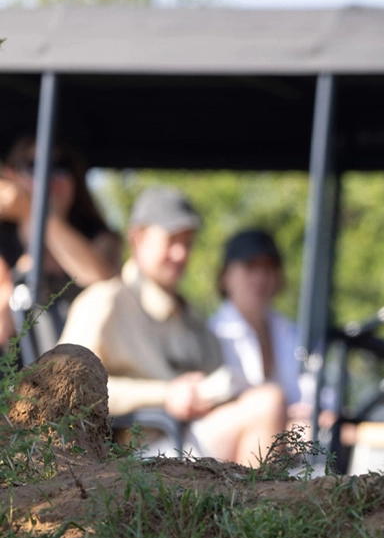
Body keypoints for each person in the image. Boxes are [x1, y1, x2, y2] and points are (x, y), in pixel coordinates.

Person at [59, 187, 286, 465]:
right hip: (137, 458)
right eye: (171, 241)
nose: (181, 254)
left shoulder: (192, 316)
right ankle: (258, 506)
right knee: (268, 403)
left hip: (189, 438)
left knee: (269, 407)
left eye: (188, 243)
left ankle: (250, 504)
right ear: (137, 238)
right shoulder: (104, 302)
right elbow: (65, 390)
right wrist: (166, 395)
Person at [208, 228, 333, 433]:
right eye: (250, 267)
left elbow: (323, 398)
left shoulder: (295, 334)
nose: (260, 279)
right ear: (225, 277)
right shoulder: (211, 334)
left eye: (268, 269)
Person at [0, 137, 122, 342]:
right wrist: (20, 272)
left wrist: (39, 214)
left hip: (87, 362)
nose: (50, 176)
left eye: (62, 166)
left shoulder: (100, 237)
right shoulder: (4, 242)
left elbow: (103, 282)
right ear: (11, 176)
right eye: (34, 166)